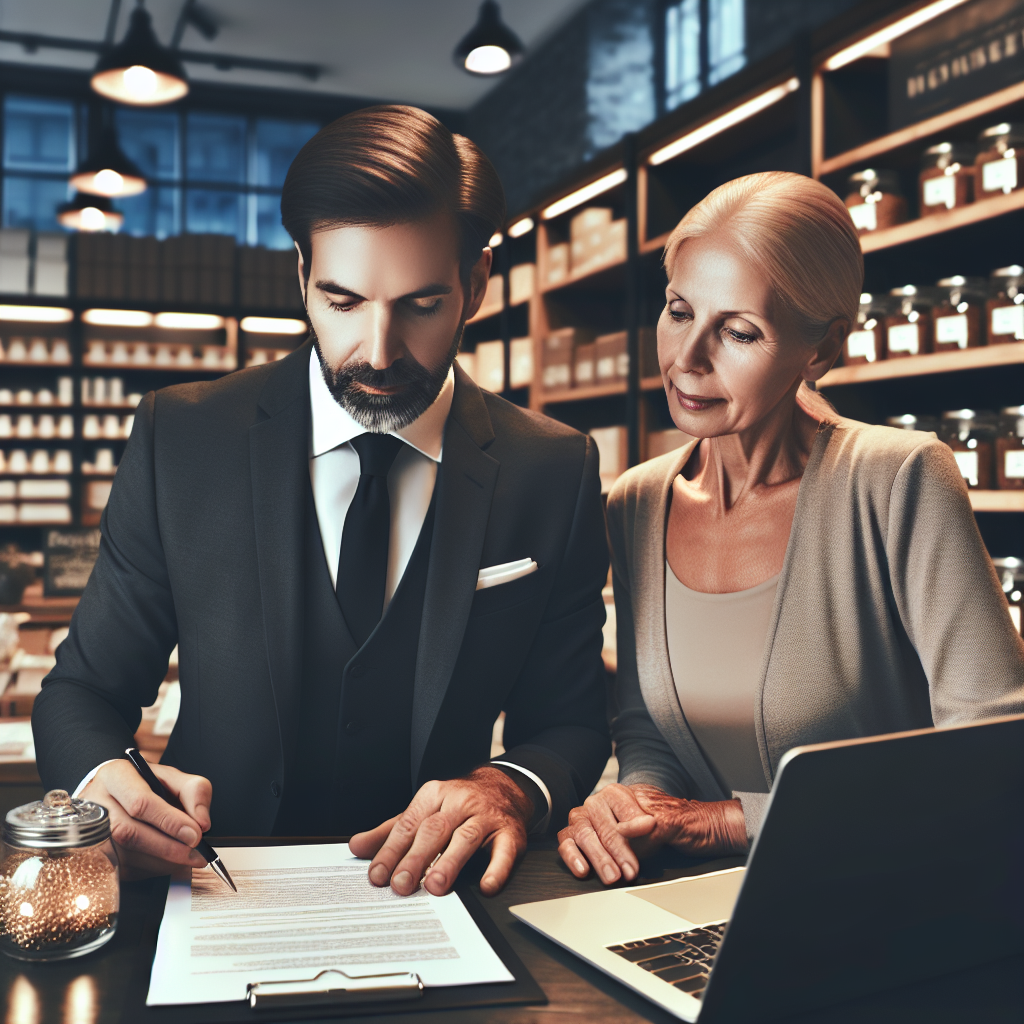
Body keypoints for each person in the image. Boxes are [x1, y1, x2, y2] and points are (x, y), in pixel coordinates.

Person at [33, 105, 611, 898]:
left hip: (444, 899)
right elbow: (83, 692)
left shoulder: (555, 468)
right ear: (301, 275)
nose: (378, 352)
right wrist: (104, 780)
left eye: (420, 304)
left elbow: (573, 721)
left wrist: (509, 788)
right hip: (211, 888)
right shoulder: (183, 439)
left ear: (476, 283)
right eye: (343, 301)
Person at [556, 171, 1024, 885]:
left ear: (822, 350)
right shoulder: (637, 502)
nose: (688, 359)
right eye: (680, 311)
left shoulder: (897, 480)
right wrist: (637, 799)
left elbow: (991, 748)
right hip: (703, 903)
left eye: (739, 331)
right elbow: (648, 728)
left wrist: (730, 821)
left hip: (889, 894)